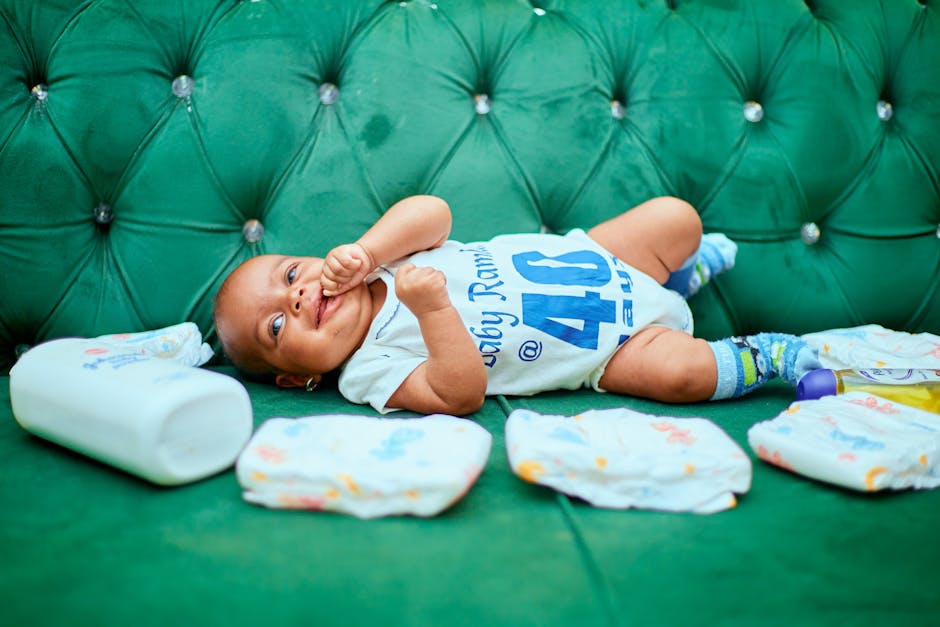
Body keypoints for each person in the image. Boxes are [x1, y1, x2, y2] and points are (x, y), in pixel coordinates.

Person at [213, 195, 819, 415]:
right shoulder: (368, 373)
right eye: (274, 324)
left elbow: (437, 212)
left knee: (676, 218)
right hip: (607, 351)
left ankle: (682, 277)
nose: (294, 297)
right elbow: (460, 394)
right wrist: (431, 311)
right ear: (298, 376)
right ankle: (764, 358)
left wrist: (371, 253)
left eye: (290, 273)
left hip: (602, 259)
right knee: (684, 373)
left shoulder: (386, 257)